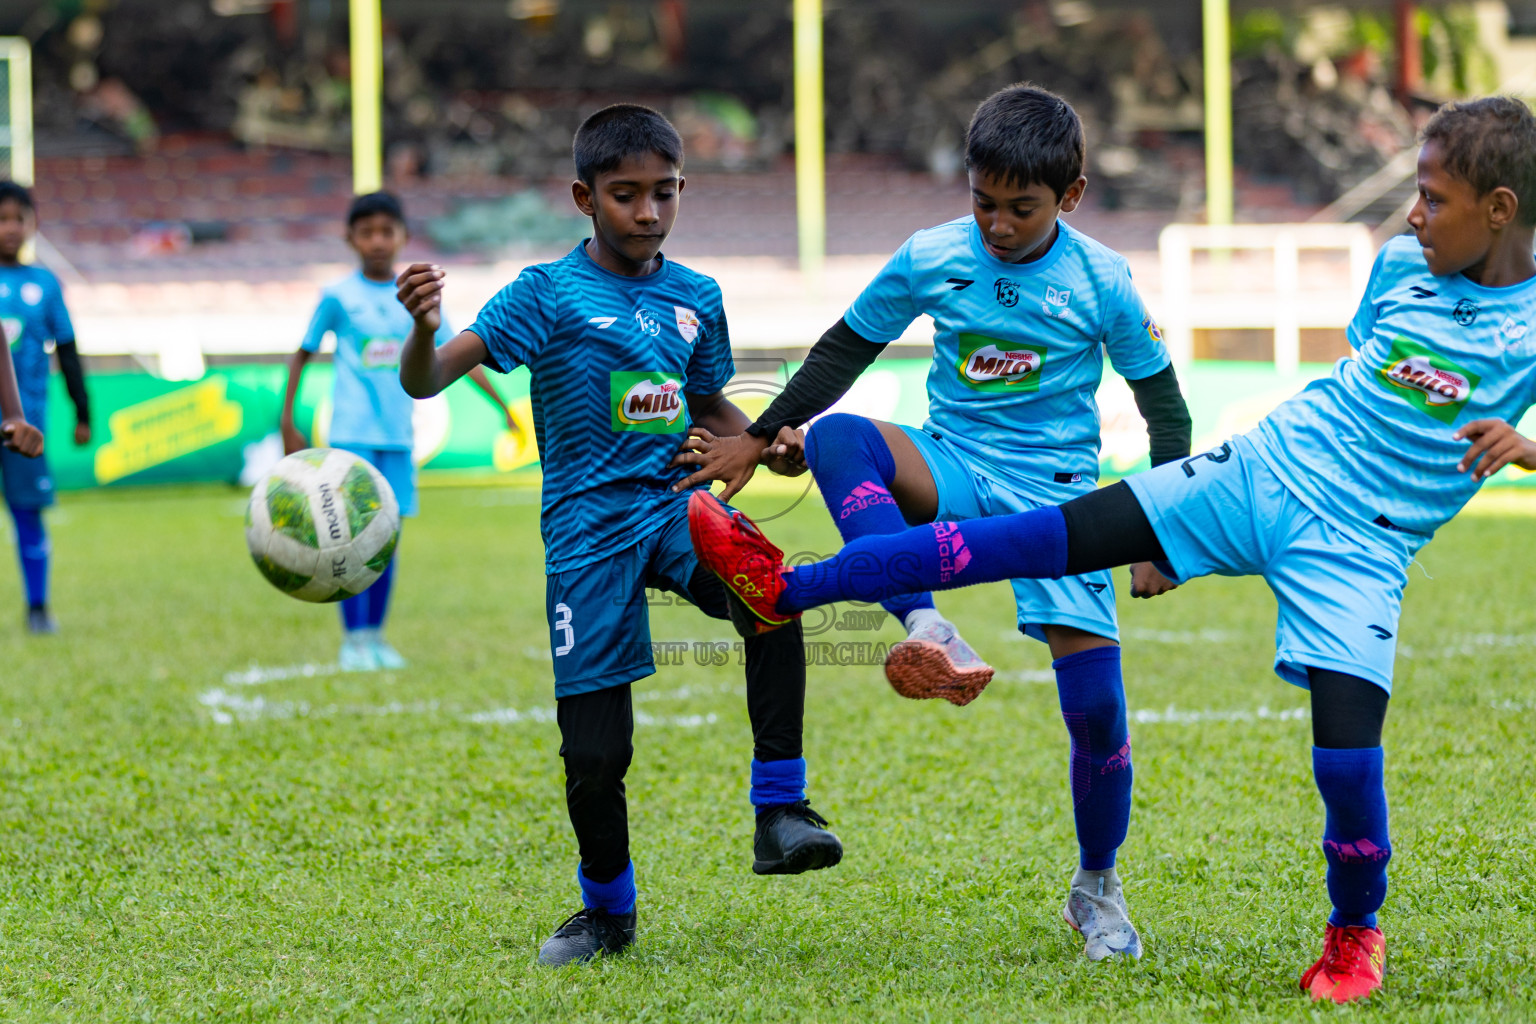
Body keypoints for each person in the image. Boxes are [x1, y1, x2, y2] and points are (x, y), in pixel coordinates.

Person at [690, 96, 1536, 1002]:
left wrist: (1529, 447)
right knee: (1011, 534)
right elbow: (1368, 369)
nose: (1412, 214)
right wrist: (1173, 530)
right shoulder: (1401, 263)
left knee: (1336, 752)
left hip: (1360, 545)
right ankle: (810, 592)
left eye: (1432, 197)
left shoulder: (1104, 281)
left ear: (1498, 208)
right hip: (1258, 465)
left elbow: (1165, 399)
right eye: (1413, 191)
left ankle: (1344, 932)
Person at [673, 84, 1191, 961]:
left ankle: (1097, 888)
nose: (996, 225)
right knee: (839, 439)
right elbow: (845, 348)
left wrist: (1160, 529)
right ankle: (927, 623)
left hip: (1059, 496)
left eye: (1020, 210)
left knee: (1098, 714)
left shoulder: (1103, 278)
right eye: (982, 203)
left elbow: (1164, 407)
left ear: (1070, 196)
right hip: (949, 461)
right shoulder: (932, 254)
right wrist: (758, 440)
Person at [393, 104, 842, 967]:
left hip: (674, 503)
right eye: (626, 194)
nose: (647, 212)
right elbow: (427, 381)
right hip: (587, 531)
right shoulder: (546, 293)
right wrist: (421, 326)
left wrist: (764, 444)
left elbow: (710, 405)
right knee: (597, 753)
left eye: (664, 194)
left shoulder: (696, 296)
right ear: (583, 197)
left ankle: (780, 812)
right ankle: (606, 912)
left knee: (773, 591)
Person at [280, 191, 517, 671]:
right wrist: (287, 420)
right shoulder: (338, 297)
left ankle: (375, 637)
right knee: (348, 539)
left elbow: (460, 355)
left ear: (403, 237)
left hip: (399, 437)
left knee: (384, 540)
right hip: (352, 436)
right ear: (351, 239)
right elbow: (303, 352)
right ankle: (353, 641)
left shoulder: (416, 297)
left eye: (387, 231)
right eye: (366, 232)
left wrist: (503, 408)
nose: (377, 241)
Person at [0, 181, 89, 635]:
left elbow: (68, 350)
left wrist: (83, 411)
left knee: (27, 512)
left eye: (19, 219)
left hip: (24, 424)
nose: (11, 228)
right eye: (2, 219)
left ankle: (37, 607)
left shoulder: (44, 283)